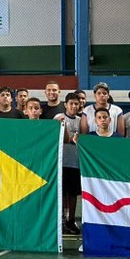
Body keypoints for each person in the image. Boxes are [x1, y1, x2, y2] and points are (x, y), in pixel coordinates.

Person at [55, 93, 82, 235]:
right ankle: (61, 220)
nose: (74, 106)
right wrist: (67, 132)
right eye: (71, 103)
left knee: (73, 194)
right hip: (60, 162)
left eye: (76, 104)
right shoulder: (58, 117)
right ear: (65, 104)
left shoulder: (81, 120)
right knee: (61, 193)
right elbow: (62, 139)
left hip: (75, 163)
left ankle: (71, 220)